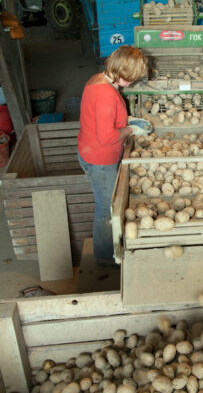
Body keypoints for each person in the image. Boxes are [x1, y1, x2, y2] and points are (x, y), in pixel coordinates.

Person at [77, 45, 150, 265]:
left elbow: (102, 119)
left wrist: (126, 121)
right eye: (132, 79)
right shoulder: (106, 93)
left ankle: (106, 253)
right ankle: (104, 258)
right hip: (100, 159)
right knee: (106, 209)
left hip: (89, 149)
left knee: (107, 205)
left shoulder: (98, 79)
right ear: (122, 72)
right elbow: (107, 137)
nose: (133, 83)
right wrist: (130, 130)